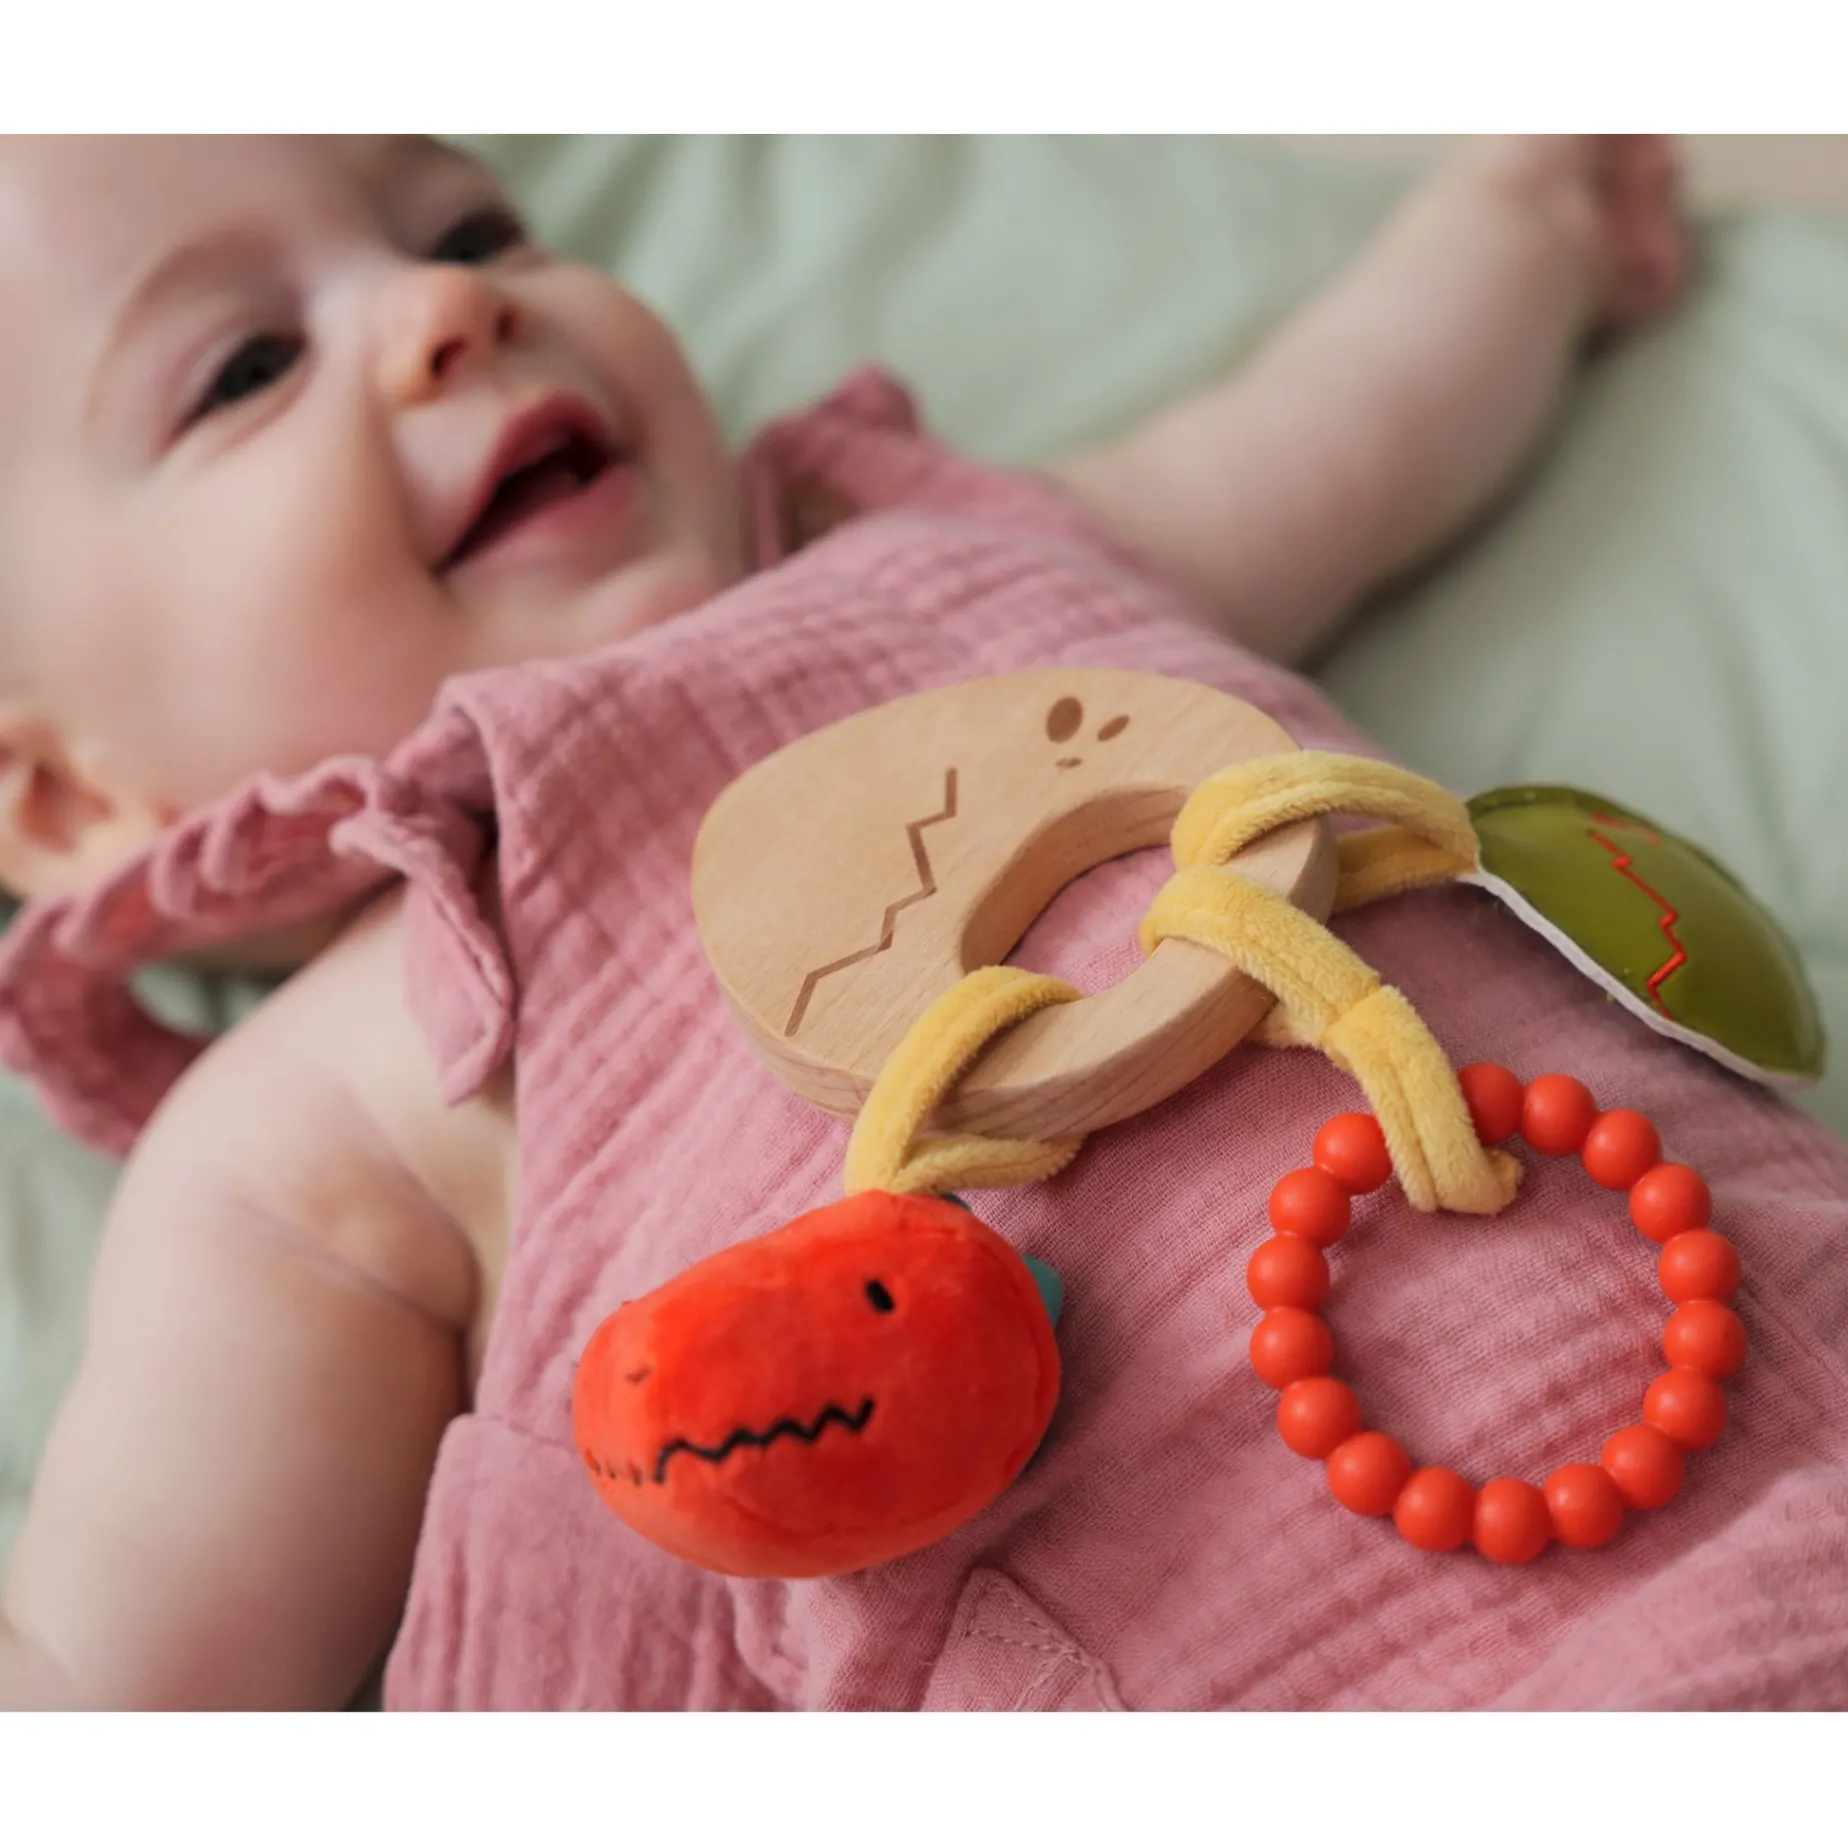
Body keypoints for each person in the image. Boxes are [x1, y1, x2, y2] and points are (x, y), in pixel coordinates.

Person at [6, 134, 1835, 1712]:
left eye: (470, 230)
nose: (451, 306)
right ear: (70, 802)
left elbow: (1334, 433)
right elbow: (113, 1678)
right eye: (246, 367)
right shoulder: (324, 1095)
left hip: (1761, 1361)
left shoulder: (968, 554)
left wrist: (1522, 224)